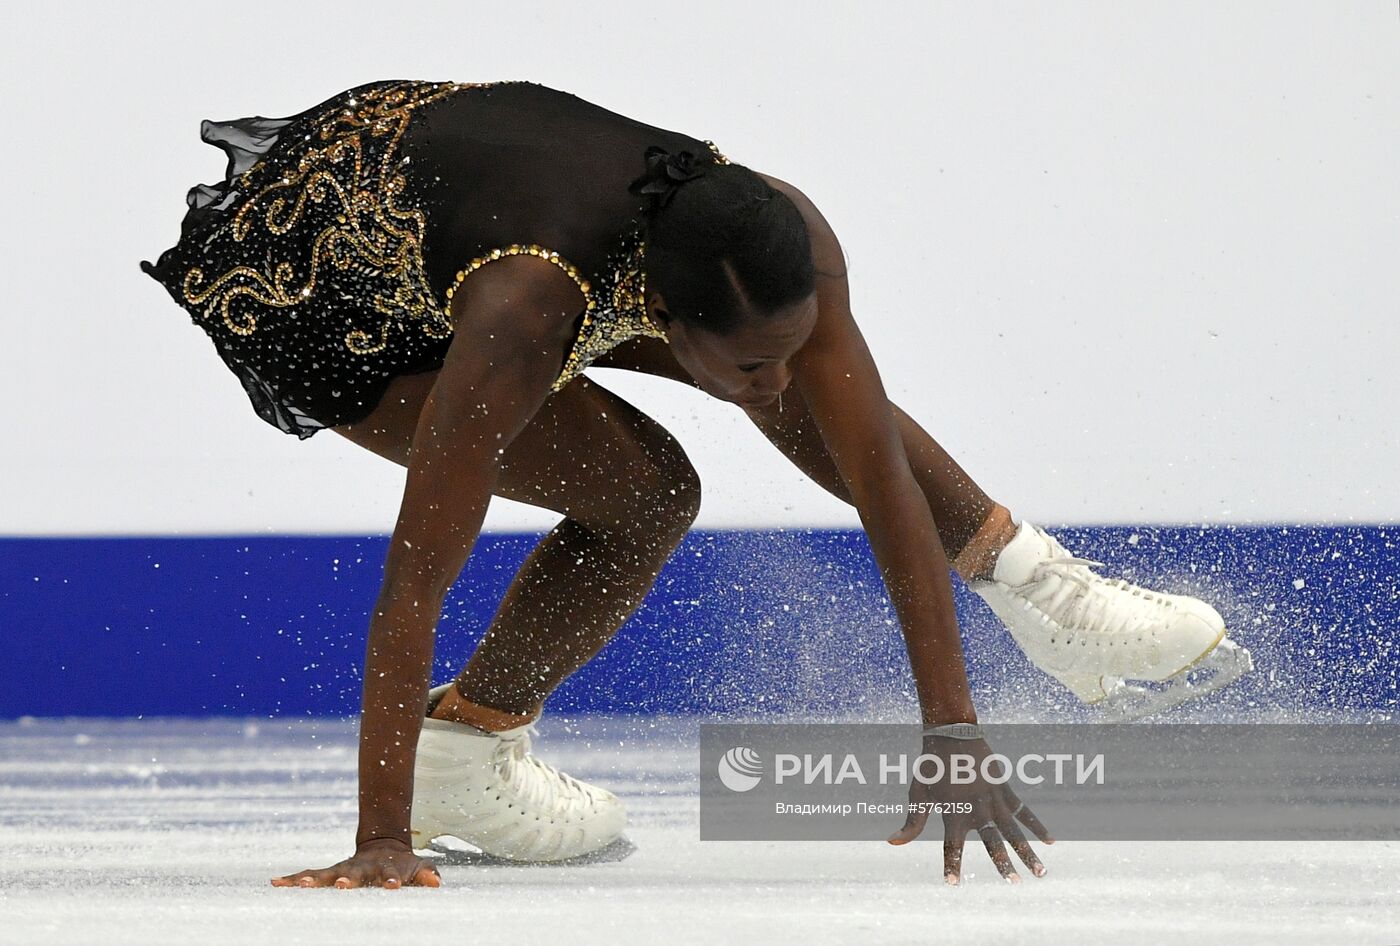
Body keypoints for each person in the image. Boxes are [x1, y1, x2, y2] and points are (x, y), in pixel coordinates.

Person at [140, 78, 1249, 889]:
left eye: (788, 340)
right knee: (648, 494)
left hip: (483, 191)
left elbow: (873, 470)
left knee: (797, 390)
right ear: (658, 321)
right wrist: (380, 835)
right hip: (329, 292)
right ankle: (458, 756)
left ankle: (1043, 594)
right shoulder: (522, 313)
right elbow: (414, 583)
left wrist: (951, 726)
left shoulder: (773, 229)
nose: (778, 379)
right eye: (747, 359)